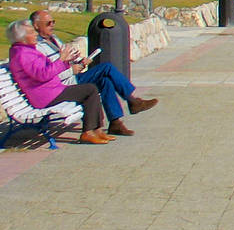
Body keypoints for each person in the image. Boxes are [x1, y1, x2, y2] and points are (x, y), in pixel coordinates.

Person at [30, 10, 159, 137]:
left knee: (105, 81)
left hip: (72, 75)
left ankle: (115, 123)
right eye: (48, 23)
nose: (52, 25)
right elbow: (47, 75)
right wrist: (71, 70)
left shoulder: (54, 39)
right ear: (36, 26)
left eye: (53, 22)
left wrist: (80, 61)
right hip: (63, 83)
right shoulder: (38, 47)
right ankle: (132, 100)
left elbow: (64, 59)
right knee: (106, 68)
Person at [7, 20, 112, 144]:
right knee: (90, 90)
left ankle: (97, 130)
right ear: (21, 37)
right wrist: (61, 59)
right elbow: (43, 75)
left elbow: (45, 69)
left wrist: (66, 61)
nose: (36, 34)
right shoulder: (23, 54)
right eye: (31, 32)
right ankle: (88, 132)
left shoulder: (26, 50)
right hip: (45, 96)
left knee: (90, 89)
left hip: (52, 90)